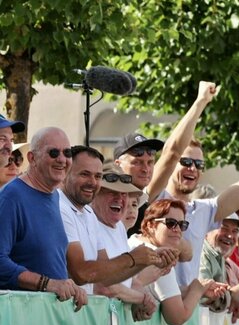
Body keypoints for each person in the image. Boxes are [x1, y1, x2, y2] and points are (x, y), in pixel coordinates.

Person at [155, 109, 239, 287]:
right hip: (149, 308)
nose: (192, 168)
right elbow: (172, 152)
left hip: (186, 312)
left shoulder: (203, 210)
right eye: (186, 162)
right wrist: (201, 102)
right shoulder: (154, 198)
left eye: (199, 164)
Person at [59, 147, 164, 307]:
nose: (120, 199)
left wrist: (146, 258)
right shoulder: (60, 207)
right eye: (112, 192)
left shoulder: (89, 214)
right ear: (66, 174)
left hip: (88, 319)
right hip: (64, 315)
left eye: (97, 176)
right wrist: (134, 260)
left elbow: (106, 276)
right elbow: (87, 277)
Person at [115, 81, 218, 236]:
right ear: (118, 164)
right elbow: (173, 153)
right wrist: (201, 101)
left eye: (150, 162)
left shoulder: (144, 199)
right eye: (137, 161)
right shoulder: (105, 197)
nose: (146, 169)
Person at [0, 127, 87, 310]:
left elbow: (47, 261)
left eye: (67, 152)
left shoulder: (54, 196)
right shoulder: (12, 197)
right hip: (21, 320)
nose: (62, 159)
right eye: (53, 153)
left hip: (48, 320)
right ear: (32, 158)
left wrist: (68, 284)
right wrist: (47, 284)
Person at [128, 199, 224, 325]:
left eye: (182, 224)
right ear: (150, 225)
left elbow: (161, 292)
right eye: (170, 223)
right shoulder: (159, 258)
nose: (177, 229)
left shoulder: (132, 241)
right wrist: (196, 289)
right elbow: (177, 317)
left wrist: (198, 289)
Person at [199, 212, 239, 320]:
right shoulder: (202, 254)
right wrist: (234, 294)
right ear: (206, 230)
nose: (230, 235)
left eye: (235, 231)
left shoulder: (218, 257)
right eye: (224, 228)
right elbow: (206, 297)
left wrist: (236, 298)